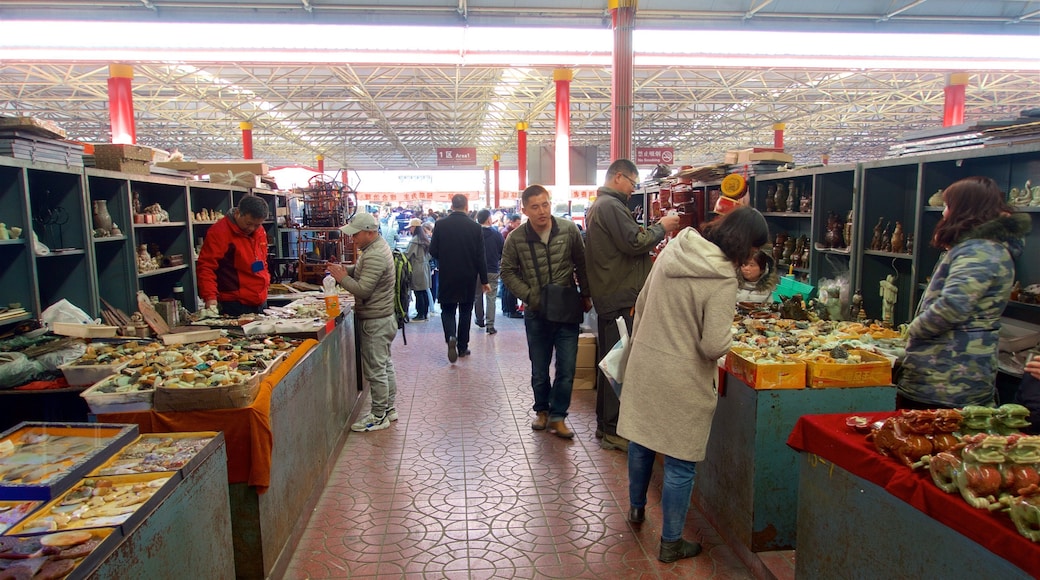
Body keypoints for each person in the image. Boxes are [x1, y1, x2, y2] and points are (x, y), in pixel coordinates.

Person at [618, 206, 769, 563]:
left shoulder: (676, 247)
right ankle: (671, 542)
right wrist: (733, 334)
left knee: (643, 440)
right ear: (746, 245)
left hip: (647, 362)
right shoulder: (721, 278)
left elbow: (641, 302)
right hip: (683, 376)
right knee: (681, 461)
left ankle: (637, 510)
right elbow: (713, 345)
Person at [897, 176, 1030, 409]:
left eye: (948, 206)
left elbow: (952, 307)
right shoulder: (981, 247)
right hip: (947, 373)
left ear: (966, 210)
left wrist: (914, 330)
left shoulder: (980, 250)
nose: (943, 213)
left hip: (948, 377)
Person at [585, 159, 680, 452]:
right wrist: (661, 228)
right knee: (619, 365)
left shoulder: (603, 206)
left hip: (612, 295)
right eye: (632, 184)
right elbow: (635, 242)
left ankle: (606, 426)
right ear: (619, 177)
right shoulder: (610, 207)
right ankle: (614, 430)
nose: (632, 190)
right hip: (619, 296)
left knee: (612, 363)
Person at [501, 185, 592, 439]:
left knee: (567, 367)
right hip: (536, 313)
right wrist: (531, 296)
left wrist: (586, 294)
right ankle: (542, 411)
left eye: (545, 204)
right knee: (539, 369)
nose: (542, 211)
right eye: (535, 207)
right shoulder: (516, 238)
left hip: (566, 308)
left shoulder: (568, 229)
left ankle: (558, 416)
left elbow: (581, 263)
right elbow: (507, 272)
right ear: (524, 210)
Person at [326, 212, 399, 432]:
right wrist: (344, 271)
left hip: (375, 321)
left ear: (370, 232)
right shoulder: (375, 248)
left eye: (356, 234)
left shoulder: (374, 254)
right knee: (384, 365)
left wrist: (342, 279)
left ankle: (378, 416)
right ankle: (388, 409)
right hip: (383, 318)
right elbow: (364, 273)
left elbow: (364, 289)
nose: (352, 239)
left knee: (376, 370)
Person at [430, 194, 489, 363]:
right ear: (466, 206)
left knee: (447, 310)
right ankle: (462, 347)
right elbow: (480, 257)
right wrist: (484, 281)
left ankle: (450, 336)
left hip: (447, 274)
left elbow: (433, 250)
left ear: (452, 205)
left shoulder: (440, 225)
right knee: (465, 311)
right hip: (468, 276)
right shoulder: (475, 227)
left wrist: (445, 256)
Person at [196, 195, 271, 317]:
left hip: (260, 300)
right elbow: (206, 267)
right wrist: (210, 298)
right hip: (234, 303)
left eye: (257, 225)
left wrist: (265, 283)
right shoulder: (219, 232)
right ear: (237, 213)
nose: (251, 228)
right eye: (248, 223)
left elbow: (261, 261)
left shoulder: (259, 231)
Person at [474, 209, 505, 335]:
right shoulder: (496, 234)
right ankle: (490, 325)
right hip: (492, 269)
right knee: (491, 297)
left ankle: (480, 319)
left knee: (477, 295)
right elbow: (503, 250)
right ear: (488, 219)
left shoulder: (473, 234)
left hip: (476, 270)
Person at [405, 217, 432, 321]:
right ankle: (424, 313)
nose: (409, 230)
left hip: (417, 268)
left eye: (410, 227)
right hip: (425, 267)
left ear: (415, 228)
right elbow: (430, 255)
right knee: (424, 291)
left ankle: (420, 314)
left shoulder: (414, 241)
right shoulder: (424, 239)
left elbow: (407, 255)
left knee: (418, 291)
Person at [500, 214, 524, 318]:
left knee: (506, 288)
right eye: (518, 223)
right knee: (510, 288)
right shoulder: (509, 233)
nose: (519, 225)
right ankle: (511, 310)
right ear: (512, 222)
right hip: (511, 264)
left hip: (506, 264)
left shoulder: (505, 232)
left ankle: (507, 309)